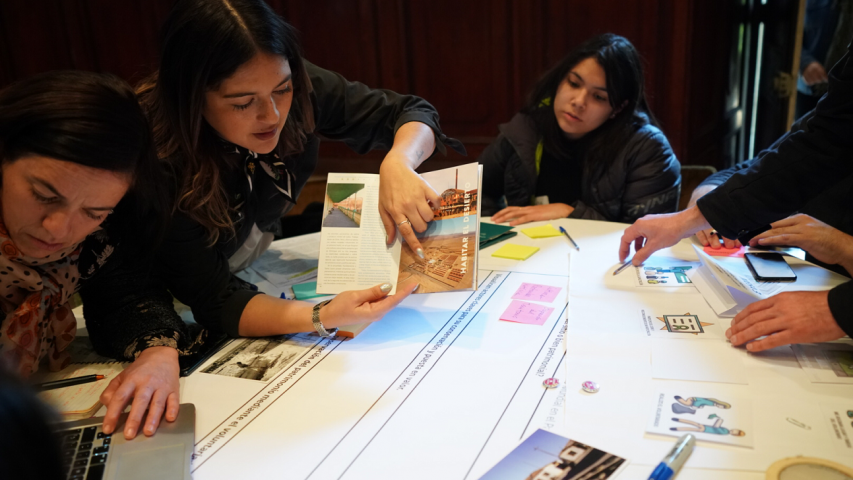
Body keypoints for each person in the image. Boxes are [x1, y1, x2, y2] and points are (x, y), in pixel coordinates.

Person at [80, 0, 464, 440]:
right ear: (192, 97)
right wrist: (321, 315)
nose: (272, 115)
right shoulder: (161, 157)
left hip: (254, 254)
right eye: (243, 103)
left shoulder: (290, 86)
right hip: (163, 290)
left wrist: (399, 161)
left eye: (282, 91)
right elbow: (216, 298)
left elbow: (410, 112)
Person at [618, 41, 853, 353]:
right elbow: (793, 156)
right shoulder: (828, 125)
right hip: (815, 290)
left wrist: (841, 290)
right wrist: (702, 205)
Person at [0, 70, 166, 378]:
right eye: (43, 195)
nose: (58, 229)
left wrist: (158, 353)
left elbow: (125, 299)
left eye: (93, 212)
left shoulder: (102, 236)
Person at [479, 33, 681, 226]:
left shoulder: (647, 149)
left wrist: (570, 213)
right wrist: (500, 230)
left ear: (618, 109)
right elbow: (471, 192)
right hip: (528, 249)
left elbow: (645, 236)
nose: (578, 102)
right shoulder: (527, 127)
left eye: (599, 97)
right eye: (574, 83)